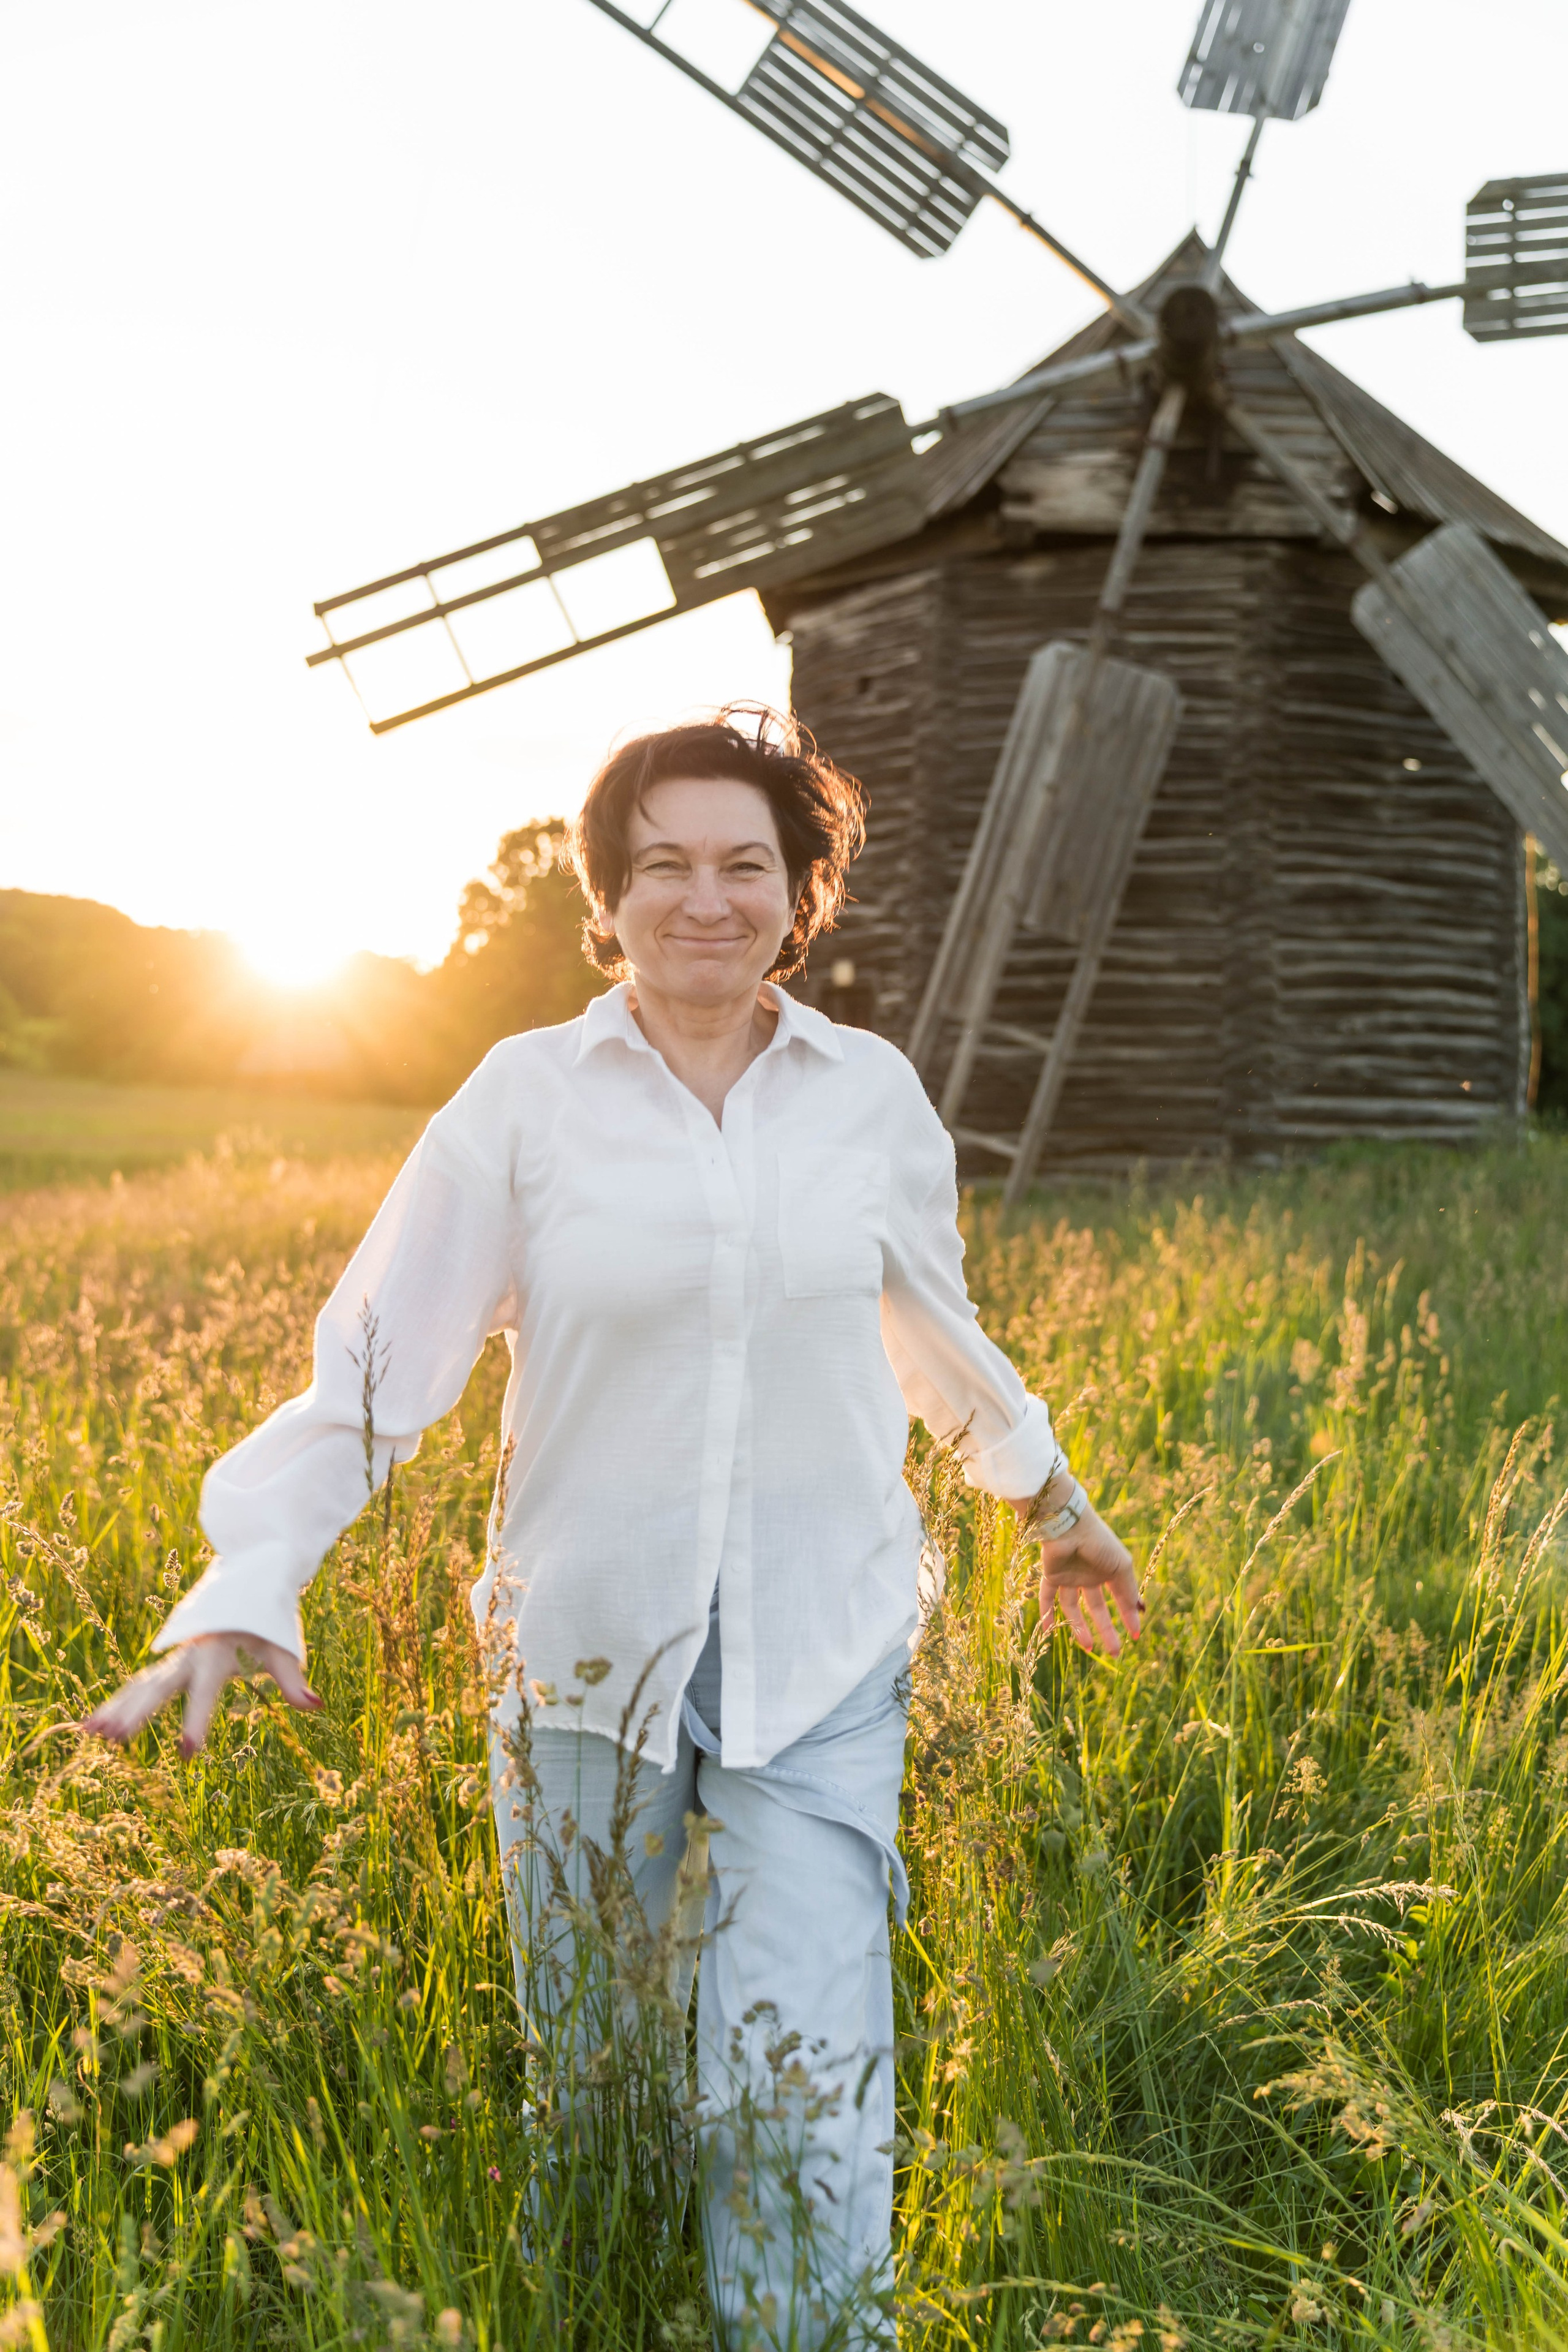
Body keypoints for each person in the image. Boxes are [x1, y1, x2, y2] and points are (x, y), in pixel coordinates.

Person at [85, 707, 1140, 2345]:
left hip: (823, 1643)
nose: (703, 899)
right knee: (597, 2083)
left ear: (802, 892)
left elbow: (933, 1323)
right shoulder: (522, 1101)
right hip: (586, 1652)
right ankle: (600, 2303)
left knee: (800, 2080)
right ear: (609, 899)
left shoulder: (867, 1093)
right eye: (662, 868)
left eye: (745, 864)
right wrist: (252, 1577)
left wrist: (1056, 1506)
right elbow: (376, 1365)